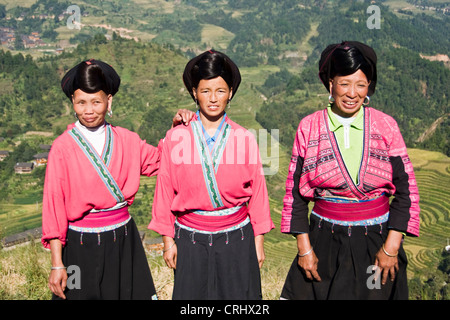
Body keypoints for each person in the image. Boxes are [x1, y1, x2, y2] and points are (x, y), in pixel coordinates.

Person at [41, 59, 194, 300]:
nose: (88, 110)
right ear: (73, 102)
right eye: (81, 102)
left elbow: (162, 162)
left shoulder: (128, 140)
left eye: (96, 102)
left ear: (109, 101)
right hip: (78, 247)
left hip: (123, 240)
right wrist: (57, 263)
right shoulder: (62, 148)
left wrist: (177, 131)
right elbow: (53, 207)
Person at [279, 41, 420, 300]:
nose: (352, 93)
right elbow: (294, 195)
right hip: (323, 243)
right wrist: (304, 249)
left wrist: (391, 248)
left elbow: (406, 190)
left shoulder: (385, 126)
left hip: (376, 245)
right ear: (330, 84)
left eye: (361, 84)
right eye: (344, 83)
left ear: (369, 88)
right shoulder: (309, 128)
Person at [148, 50, 275, 300]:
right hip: (190, 240)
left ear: (230, 93)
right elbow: (164, 190)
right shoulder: (176, 137)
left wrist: (257, 243)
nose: (213, 98)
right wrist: (168, 240)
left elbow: (258, 192)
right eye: (205, 91)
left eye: (220, 90)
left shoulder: (245, 139)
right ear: (194, 93)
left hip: (237, 240)